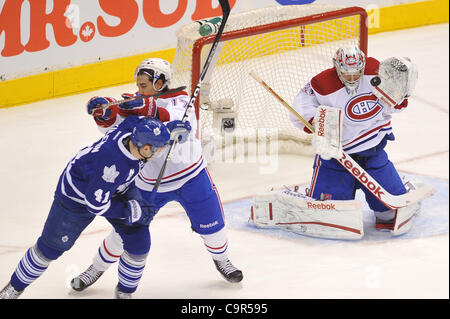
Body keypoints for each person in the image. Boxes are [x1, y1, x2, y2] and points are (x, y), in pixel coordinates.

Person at [69, 57, 243, 293]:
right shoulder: (134, 103)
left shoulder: (182, 100)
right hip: (148, 184)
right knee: (126, 231)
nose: (138, 89)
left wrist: (148, 108)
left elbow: (177, 120)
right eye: (138, 84)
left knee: (212, 226)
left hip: (191, 176)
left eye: (144, 84)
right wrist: (105, 113)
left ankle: (222, 259)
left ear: (160, 83)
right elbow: (113, 130)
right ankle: (96, 268)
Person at [0, 116, 191, 299]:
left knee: (139, 241)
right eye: (157, 149)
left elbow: (140, 119)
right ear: (146, 148)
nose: (160, 152)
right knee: (49, 249)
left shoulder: (132, 131)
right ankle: (15, 287)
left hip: (118, 186)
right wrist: (129, 212)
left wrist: (168, 129)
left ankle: (125, 291)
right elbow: (95, 204)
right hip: (77, 199)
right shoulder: (111, 166)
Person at [290, 45, 418, 232]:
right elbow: (300, 108)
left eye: (356, 73)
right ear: (337, 66)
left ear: (363, 65)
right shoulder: (321, 83)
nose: (351, 78)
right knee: (330, 216)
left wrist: (399, 96)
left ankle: (398, 187)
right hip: (335, 157)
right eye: (346, 73)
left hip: (372, 151)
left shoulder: (376, 70)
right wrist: (316, 121)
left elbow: (395, 105)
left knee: (390, 215)